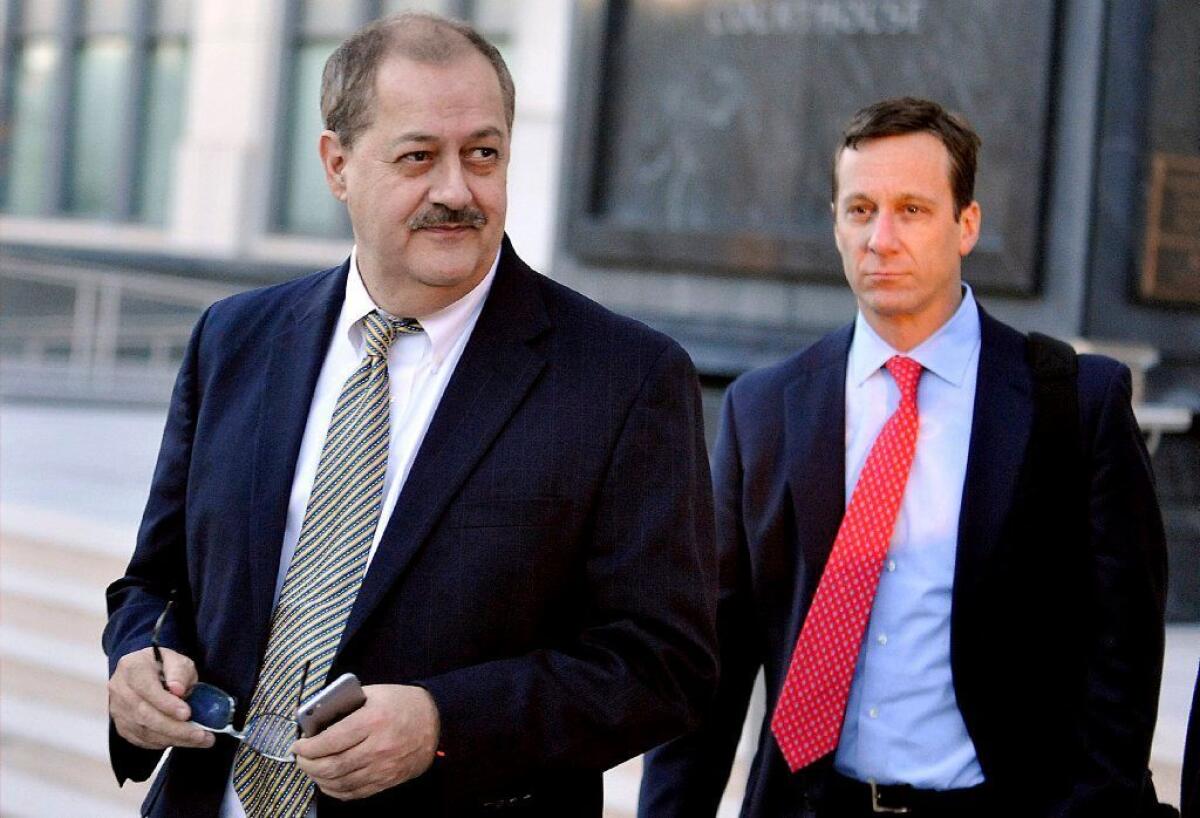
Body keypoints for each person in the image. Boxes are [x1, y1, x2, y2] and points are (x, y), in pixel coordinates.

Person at [103, 13, 717, 817]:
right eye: (419, 156)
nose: (457, 190)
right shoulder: (236, 338)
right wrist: (139, 663)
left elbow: (664, 666)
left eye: (484, 154)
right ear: (337, 164)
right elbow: (154, 581)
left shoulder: (624, 379)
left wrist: (441, 723)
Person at [639, 97, 1168, 817]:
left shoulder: (1074, 403)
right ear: (835, 222)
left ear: (967, 225)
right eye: (860, 210)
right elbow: (712, 661)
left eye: (912, 210)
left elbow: (1124, 655)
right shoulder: (764, 408)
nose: (880, 239)